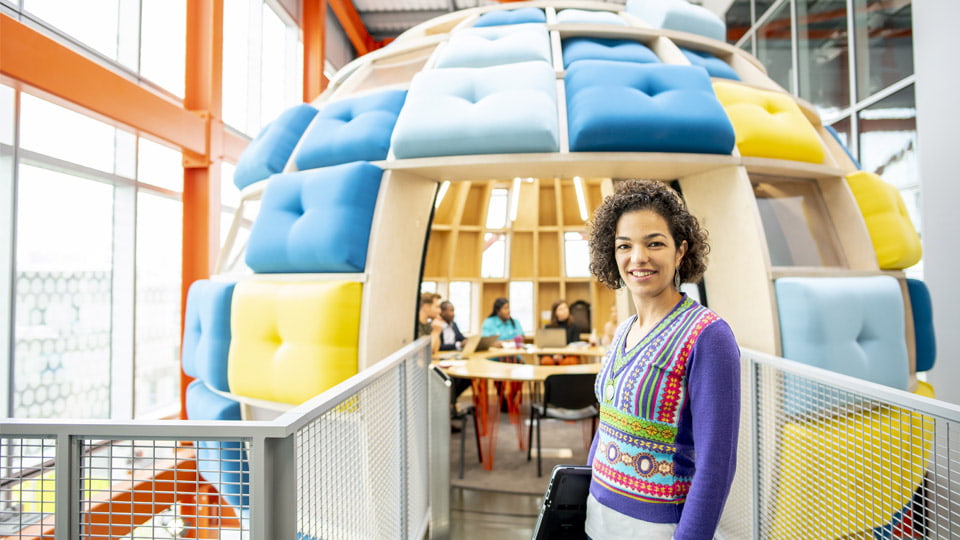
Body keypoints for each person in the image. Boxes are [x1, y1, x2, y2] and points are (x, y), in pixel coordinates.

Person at [584, 179, 740, 540]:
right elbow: (607, 424)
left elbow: (717, 465)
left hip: (656, 528)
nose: (638, 258)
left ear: (680, 251)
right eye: (625, 246)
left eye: (654, 243)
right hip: (596, 518)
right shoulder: (624, 330)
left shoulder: (709, 336)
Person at [541, 299, 581, 366]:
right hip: (552, 354)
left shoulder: (574, 327)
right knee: (546, 361)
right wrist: (553, 355)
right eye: (561, 309)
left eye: (566, 308)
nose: (564, 311)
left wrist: (562, 355)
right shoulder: (548, 327)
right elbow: (544, 346)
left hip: (568, 354)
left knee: (569, 362)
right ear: (555, 312)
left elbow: (575, 344)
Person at [417, 292, 444, 356]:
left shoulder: (429, 325)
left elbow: (434, 350)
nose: (440, 311)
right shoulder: (416, 327)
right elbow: (425, 353)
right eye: (437, 307)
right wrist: (436, 331)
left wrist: (437, 330)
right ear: (426, 307)